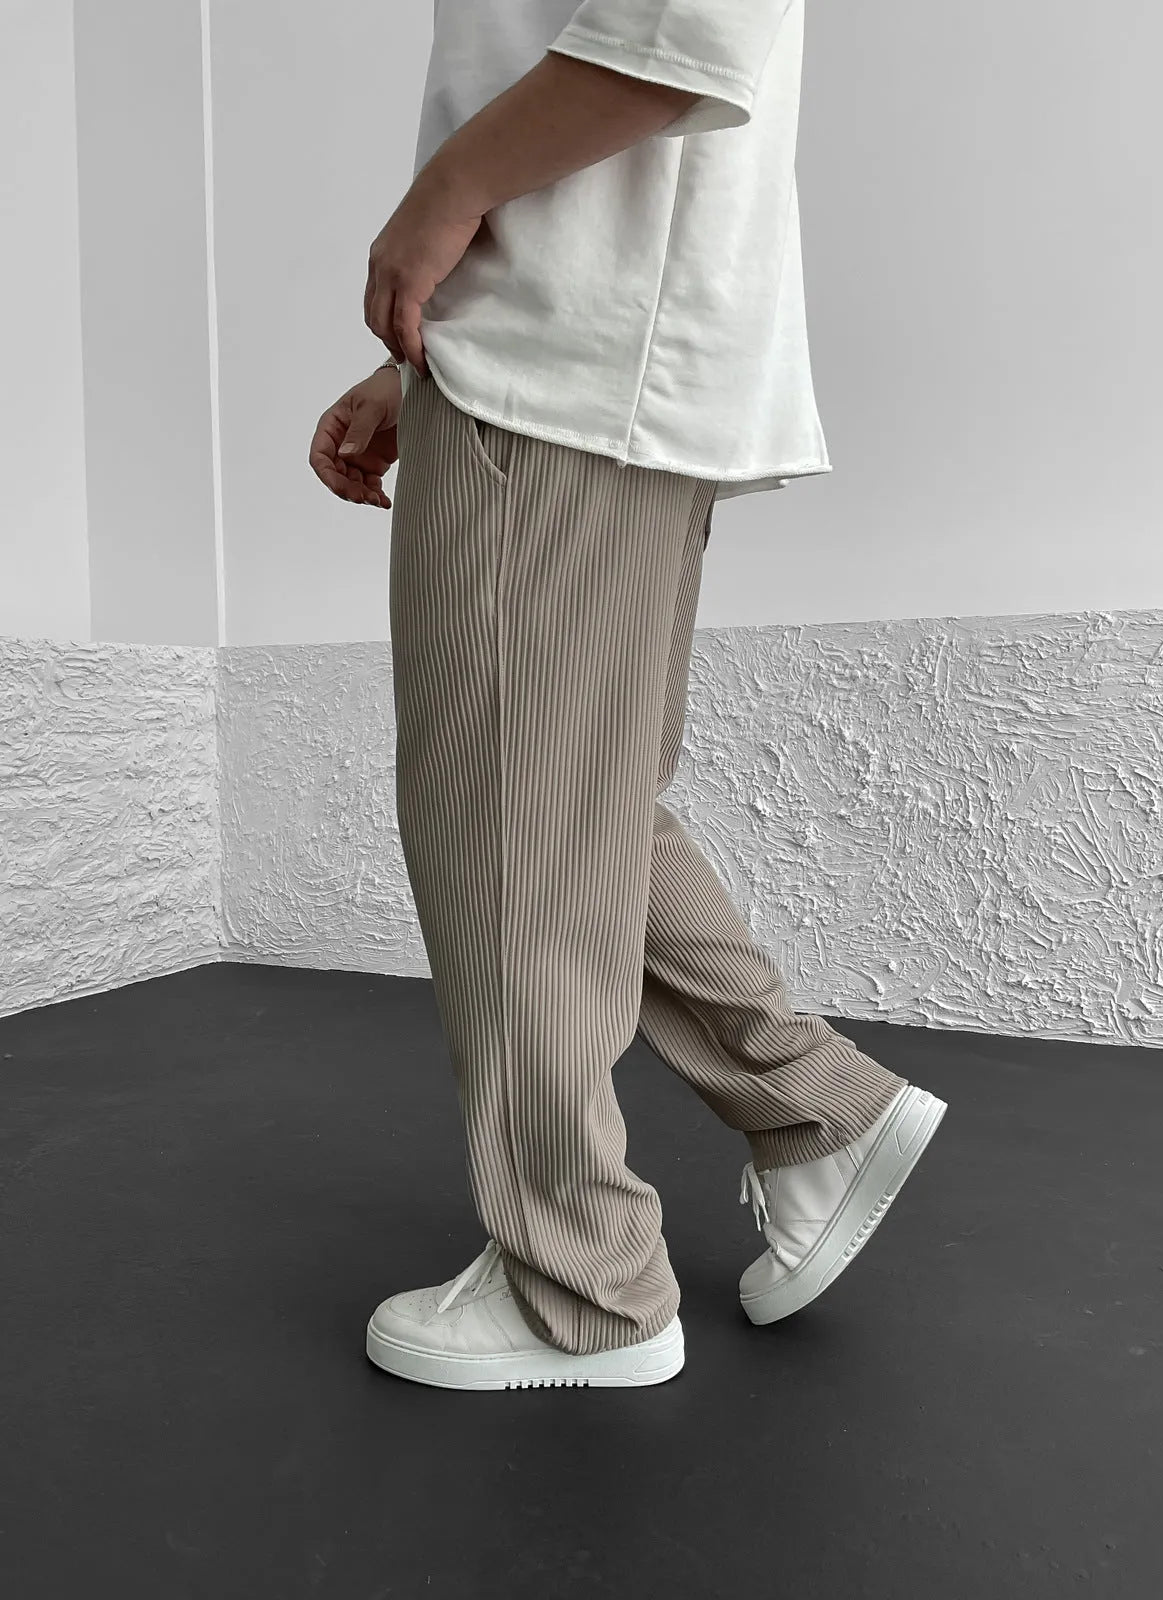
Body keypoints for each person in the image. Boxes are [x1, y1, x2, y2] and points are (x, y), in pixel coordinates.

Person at [308, 1, 947, 1393]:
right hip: (587, 359)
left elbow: (687, 26)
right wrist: (430, 352)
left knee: (506, 827)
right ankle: (815, 1112)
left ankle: (581, 1289)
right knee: (576, 810)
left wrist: (440, 201)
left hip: (565, 371)